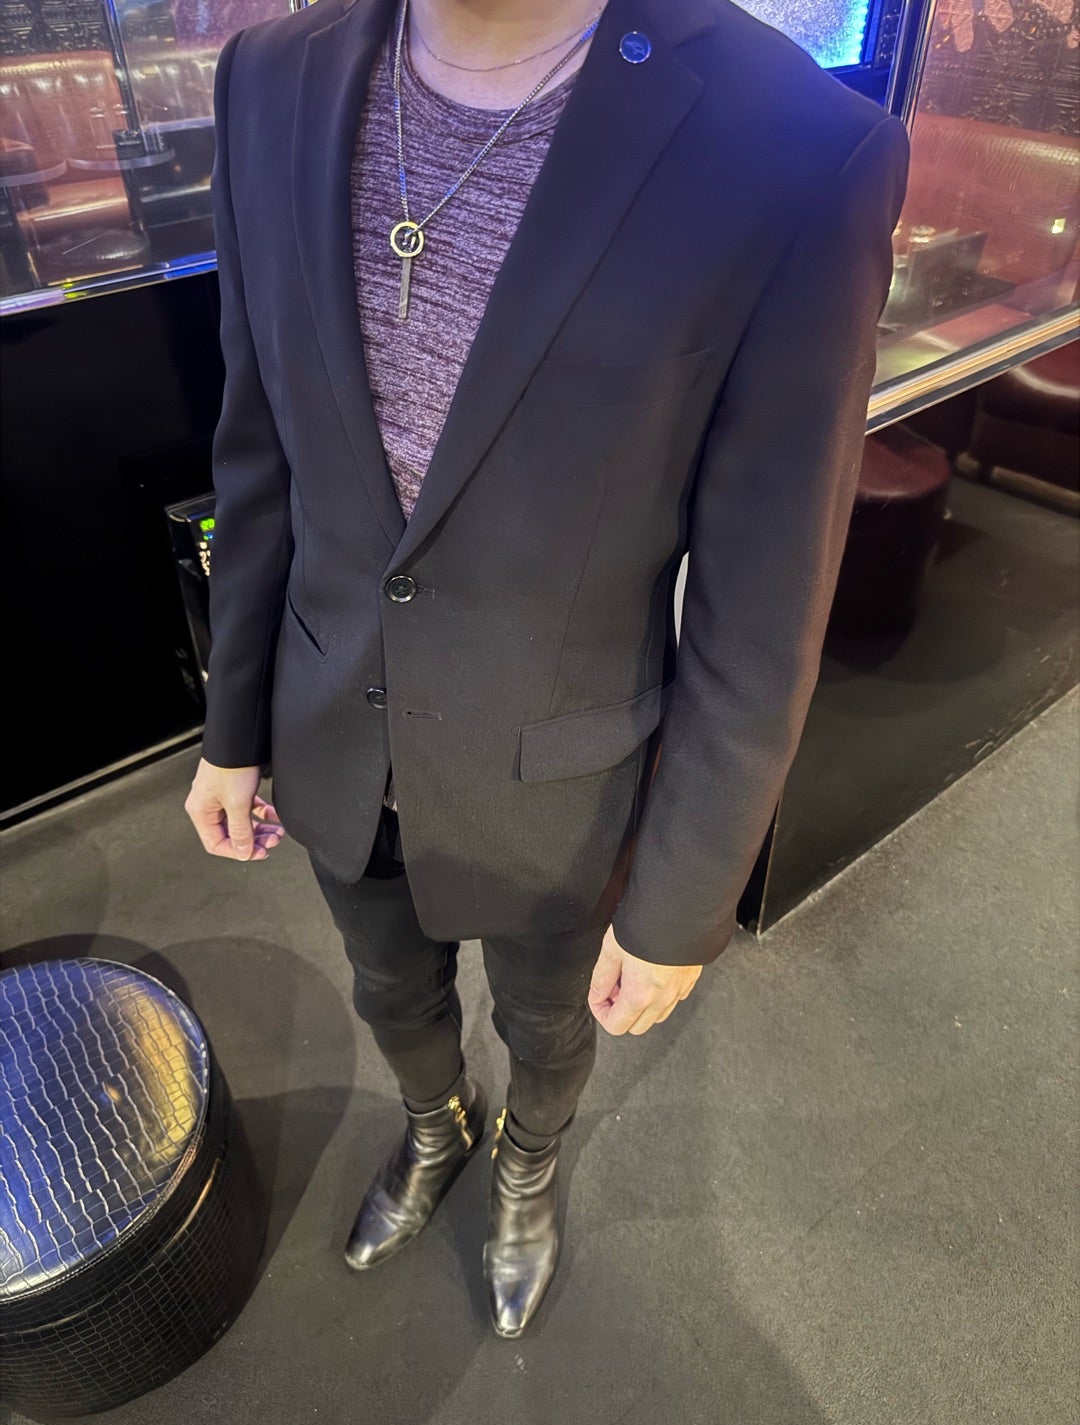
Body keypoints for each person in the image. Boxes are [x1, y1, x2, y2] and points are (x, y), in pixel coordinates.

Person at [184, 0, 910, 1338]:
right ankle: (436, 1122)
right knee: (388, 983)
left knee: (547, 1016)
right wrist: (233, 724)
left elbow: (764, 592)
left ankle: (528, 1159)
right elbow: (258, 451)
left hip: (563, 760)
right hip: (331, 713)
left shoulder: (793, 143)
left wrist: (684, 896)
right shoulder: (271, 78)